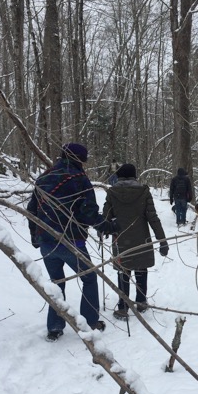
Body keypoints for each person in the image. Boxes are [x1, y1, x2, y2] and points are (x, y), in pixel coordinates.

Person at [27, 143, 117, 341]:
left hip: (46, 241)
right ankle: (90, 322)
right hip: (71, 240)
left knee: (56, 283)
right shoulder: (79, 179)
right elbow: (88, 212)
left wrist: (36, 236)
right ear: (79, 159)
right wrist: (106, 226)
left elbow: (32, 209)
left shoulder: (44, 176)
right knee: (89, 277)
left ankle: (55, 328)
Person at [102, 163, 169, 319]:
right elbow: (153, 218)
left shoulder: (112, 192)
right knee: (141, 269)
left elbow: (106, 217)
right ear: (134, 176)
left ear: (118, 176)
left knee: (123, 271)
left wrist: (104, 229)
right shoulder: (144, 192)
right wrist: (162, 240)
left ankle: (123, 306)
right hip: (141, 239)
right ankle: (141, 302)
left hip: (121, 239)